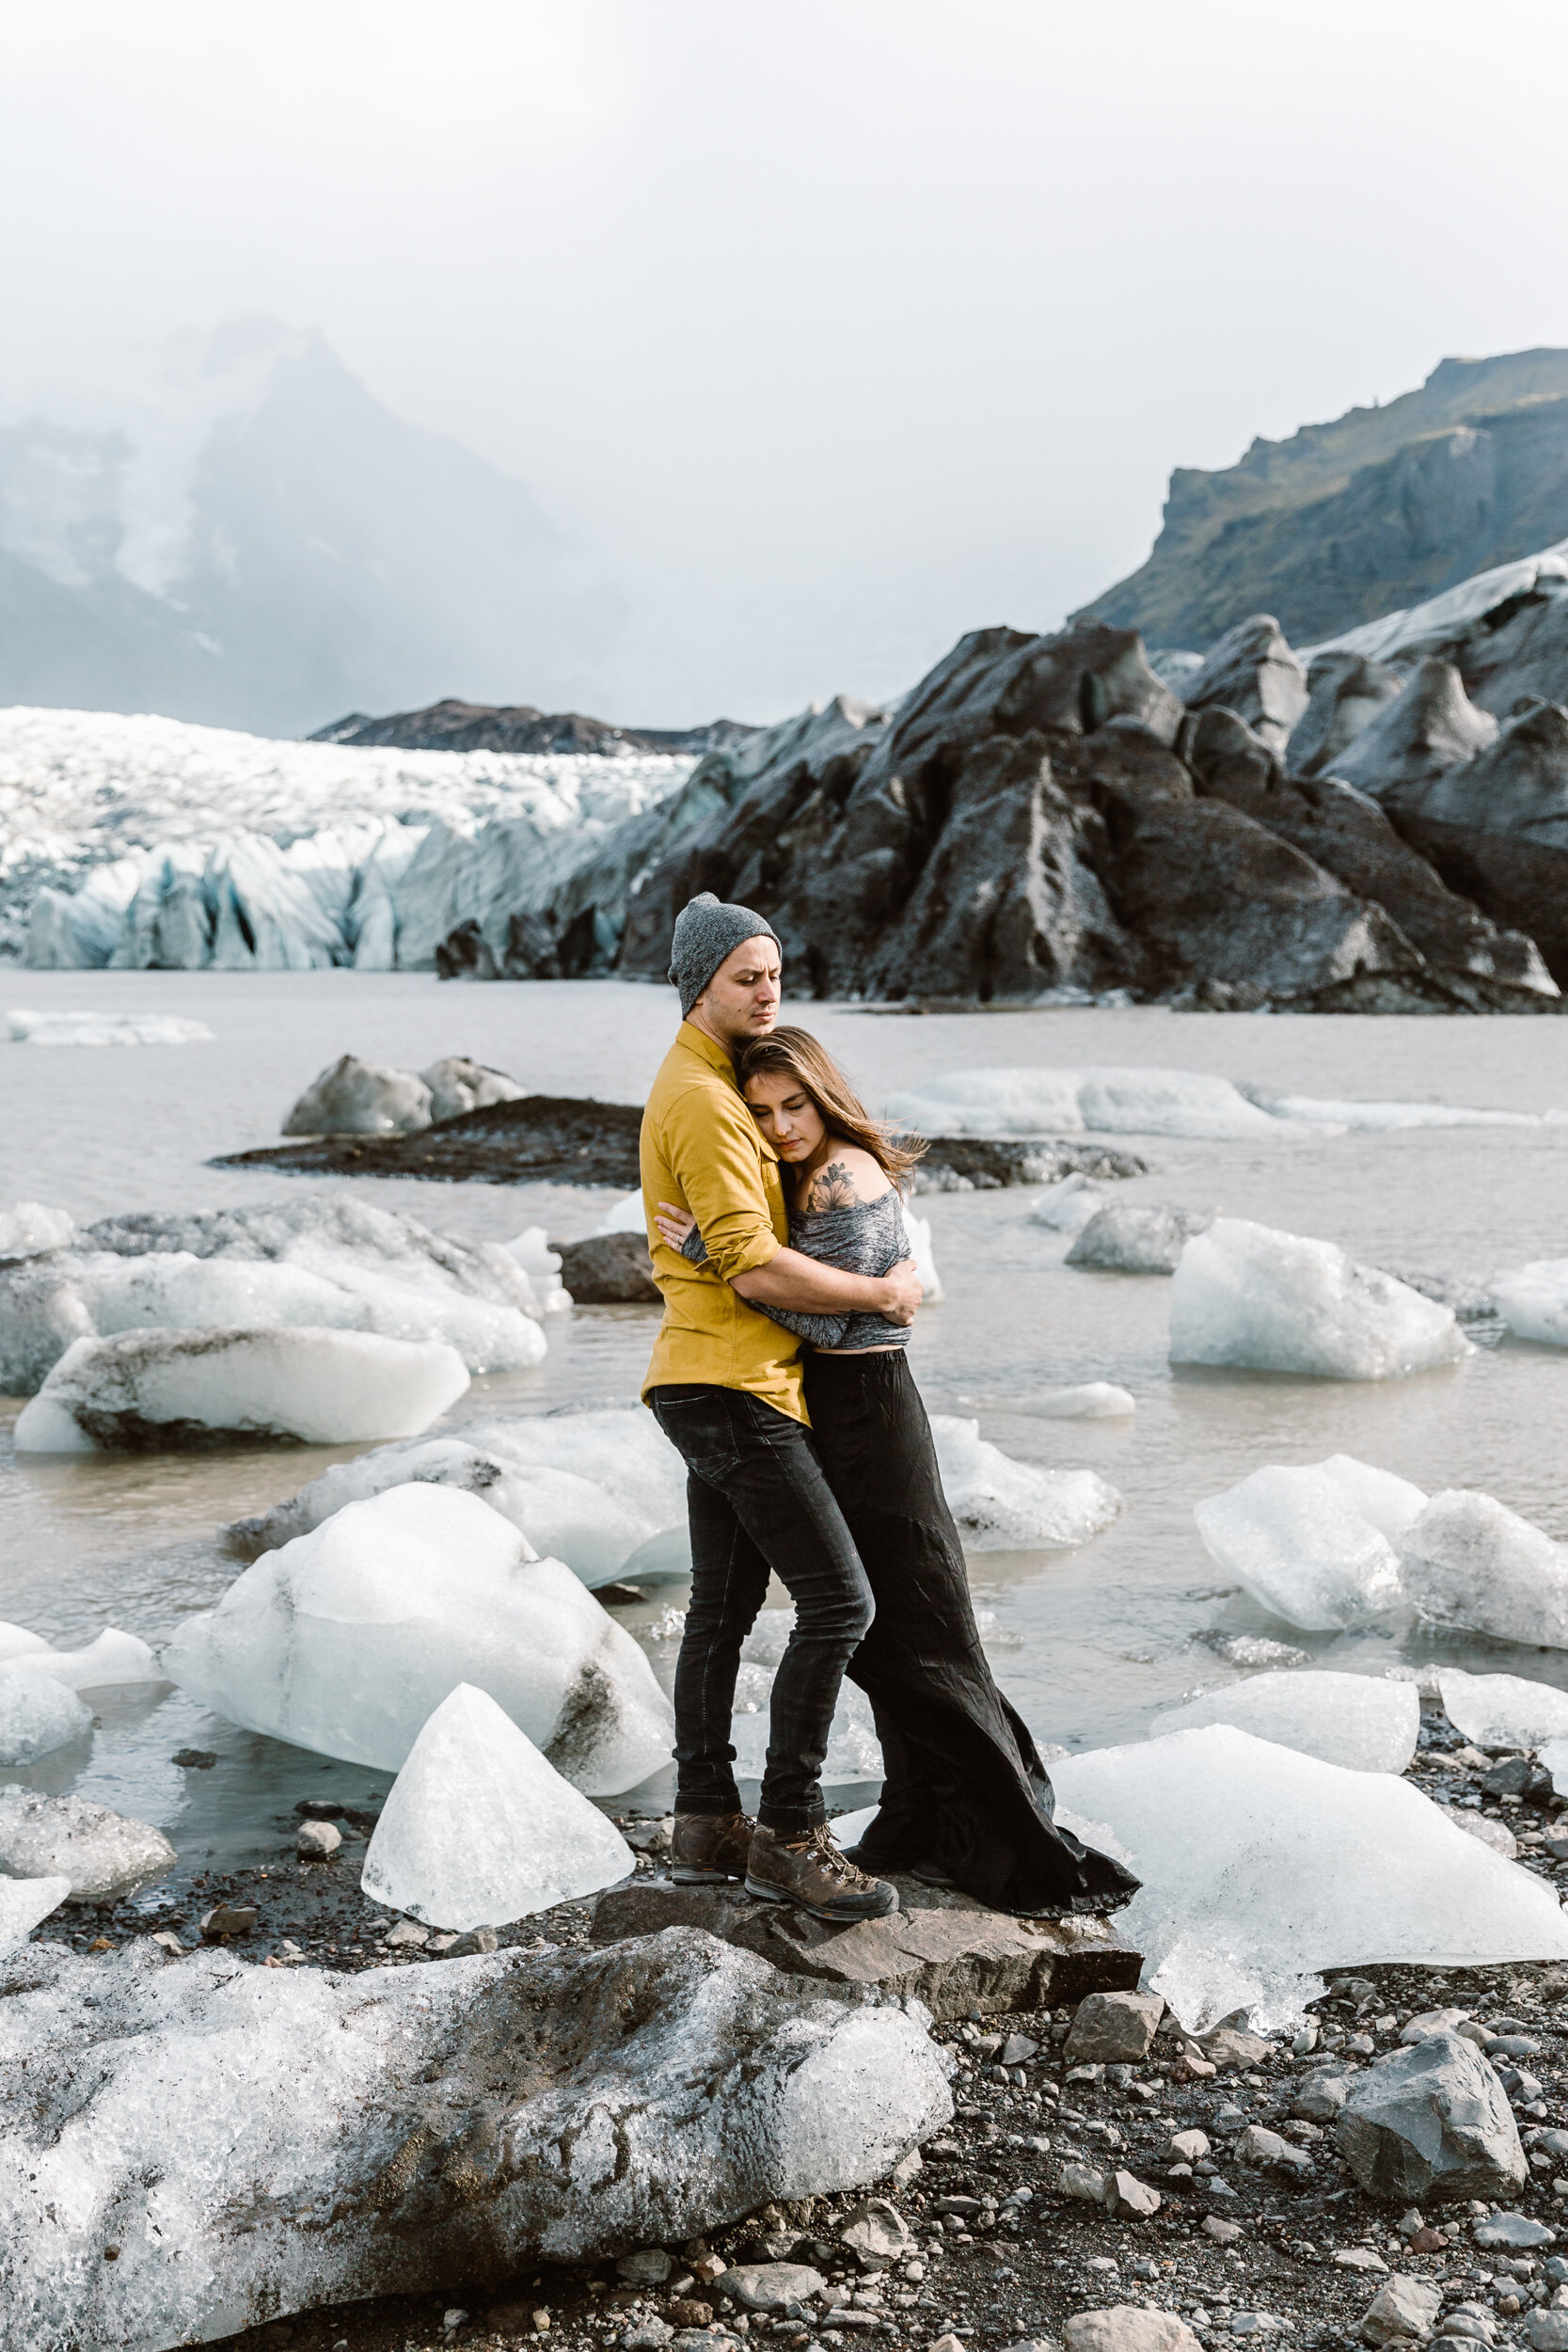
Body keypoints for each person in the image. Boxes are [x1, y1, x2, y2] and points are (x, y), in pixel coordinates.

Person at [655, 1023, 1139, 1919]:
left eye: (794, 1104)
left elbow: (837, 1323)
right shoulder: (797, 1173)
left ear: (824, 1096)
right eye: (760, 1113)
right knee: (876, 1637)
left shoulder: (839, 1171)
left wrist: (723, 1262)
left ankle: (991, 1823)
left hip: (870, 1408)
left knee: (913, 1622)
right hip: (830, 1410)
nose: (781, 1126)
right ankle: (916, 1817)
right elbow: (802, 1291)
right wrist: (756, 1269)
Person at [641, 891, 925, 1922]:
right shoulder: (708, 1101)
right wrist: (882, 1294)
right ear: (698, 985)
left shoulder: (705, 1082)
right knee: (839, 1603)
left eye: (772, 975)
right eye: (744, 978)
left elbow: (718, 1240)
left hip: (709, 1373)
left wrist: (692, 1248)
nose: (765, 994)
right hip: (731, 1383)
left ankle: (705, 1821)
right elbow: (759, 1270)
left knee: (719, 1612)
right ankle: (792, 1836)